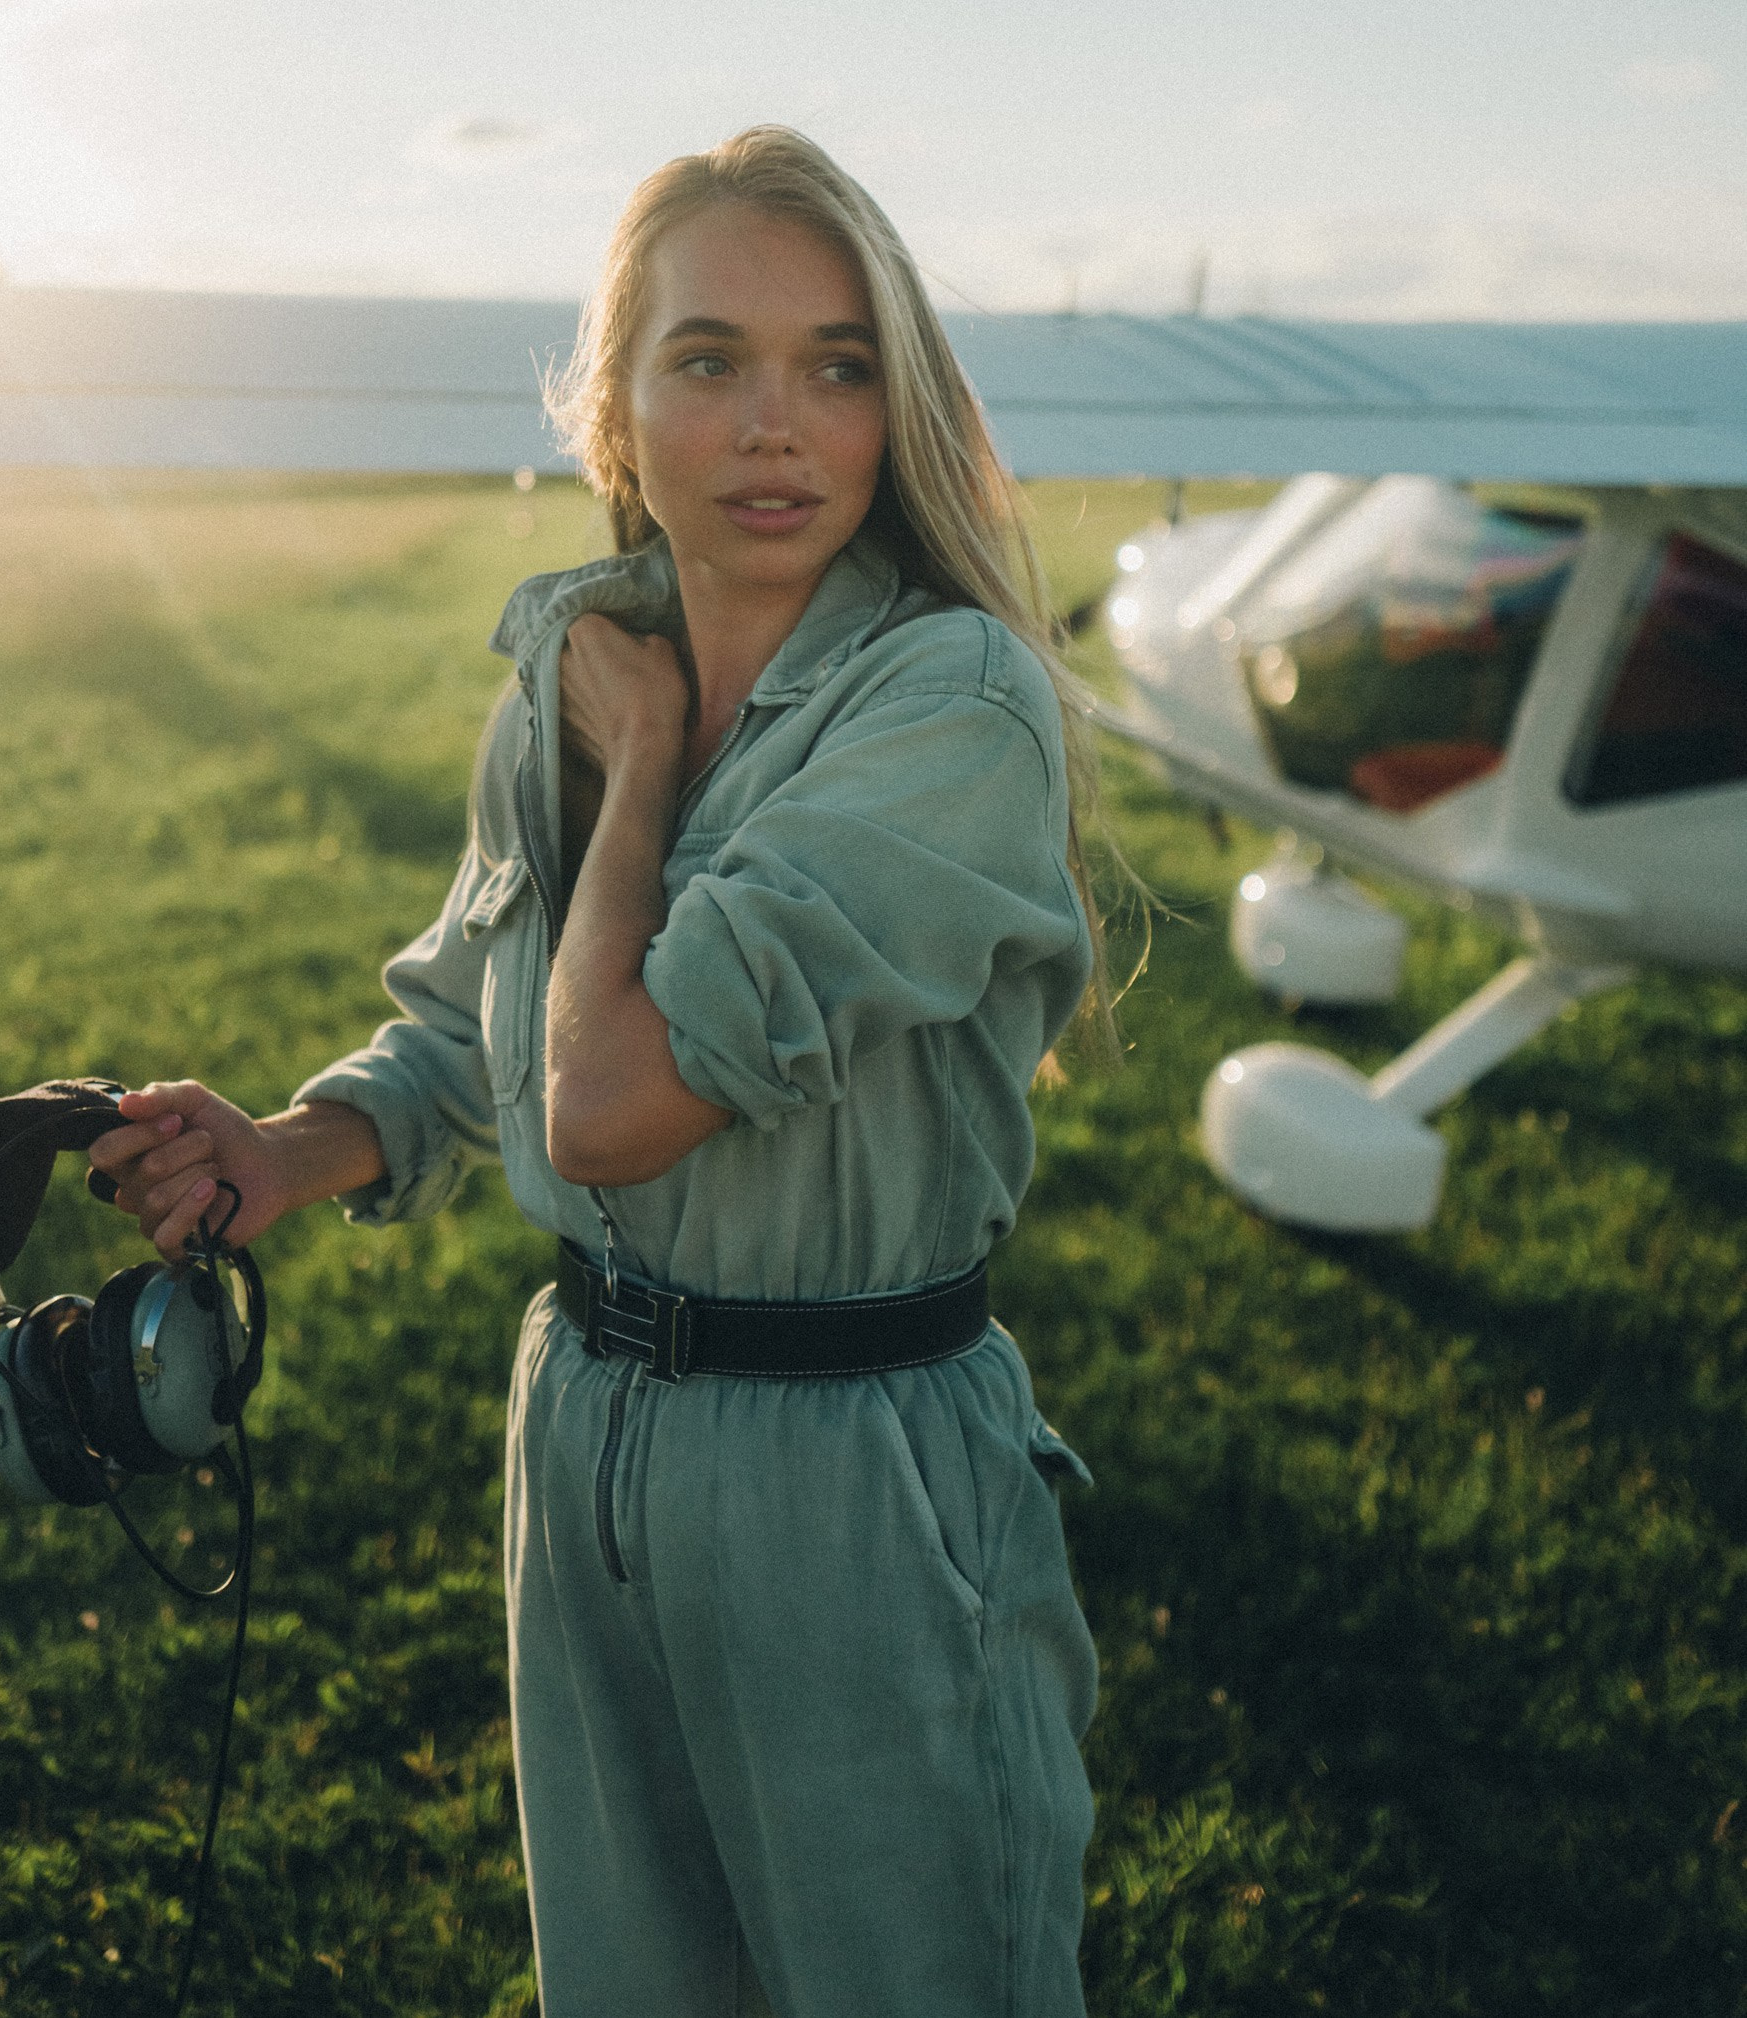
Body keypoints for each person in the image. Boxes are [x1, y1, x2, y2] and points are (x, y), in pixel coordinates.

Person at [89, 126, 1108, 2018]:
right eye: (709, 359)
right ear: (618, 411)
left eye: (838, 364)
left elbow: (612, 1094)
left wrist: (640, 773)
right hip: (582, 1431)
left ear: (897, 409)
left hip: (855, 1467)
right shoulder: (572, 669)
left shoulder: (948, 702)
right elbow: (478, 1015)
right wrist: (291, 1150)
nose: (775, 424)